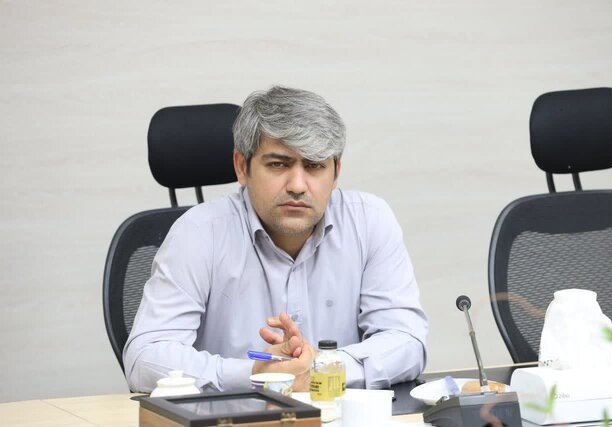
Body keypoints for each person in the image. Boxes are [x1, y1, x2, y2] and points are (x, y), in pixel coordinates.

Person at [123, 86, 429, 393]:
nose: (297, 185)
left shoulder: (369, 220)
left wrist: (321, 368)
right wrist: (256, 375)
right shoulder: (198, 232)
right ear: (242, 167)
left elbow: (407, 340)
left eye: (314, 165)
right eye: (278, 164)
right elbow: (144, 358)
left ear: (336, 172)